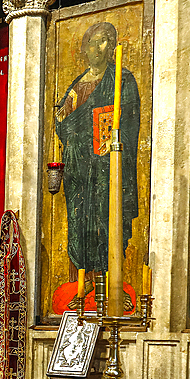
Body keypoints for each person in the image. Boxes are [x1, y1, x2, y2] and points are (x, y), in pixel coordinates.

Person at [55, 21, 140, 282]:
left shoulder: (122, 79)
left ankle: (110, 283)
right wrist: (63, 115)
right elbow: (61, 122)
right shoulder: (77, 84)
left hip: (107, 166)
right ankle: (85, 283)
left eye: (103, 41)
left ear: (112, 46)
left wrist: (114, 140)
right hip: (79, 166)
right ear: (84, 49)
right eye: (92, 42)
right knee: (80, 221)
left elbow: (130, 121)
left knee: (106, 219)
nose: (97, 47)